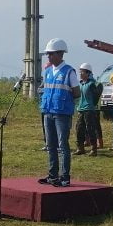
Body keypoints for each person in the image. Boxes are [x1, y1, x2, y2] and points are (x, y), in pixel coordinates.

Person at [38, 38, 80, 187]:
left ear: (60, 54)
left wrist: (64, 100)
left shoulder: (69, 71)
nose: (48, 56)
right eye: (48, 54)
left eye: (51, 54)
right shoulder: (48, 71)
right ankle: (52, 176)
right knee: (50, 145)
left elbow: (77, 92)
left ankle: (65, 177)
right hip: (48, 112)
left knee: (63, 146)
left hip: (62, 113)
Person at [74, 63, 102, 157]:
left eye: (82, 72)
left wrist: (91, 105)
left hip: (89, 110)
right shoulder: (81, 84)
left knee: (90, 129)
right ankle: (80, 148)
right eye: (80, 72)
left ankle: (94, 149)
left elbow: (96, 96)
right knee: (79, 129)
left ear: (88, 73)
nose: (80, 74)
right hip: (81, 109)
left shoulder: (91, 84)